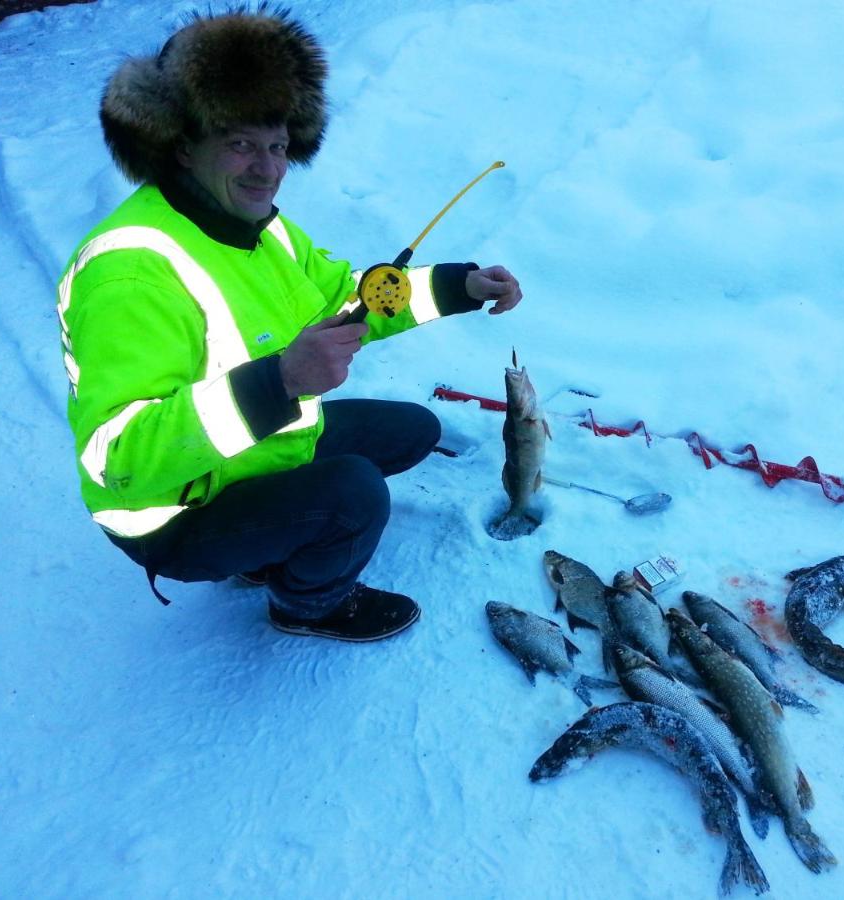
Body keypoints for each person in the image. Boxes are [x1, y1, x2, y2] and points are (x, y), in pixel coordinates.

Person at [57, 8, 522, 642]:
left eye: (277, 145)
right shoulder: (131, 271)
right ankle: (307, 604)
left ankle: (270, 541)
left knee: (413, 430)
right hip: (173, 511)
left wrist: (457, 286)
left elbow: (350, 299)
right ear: (183, 144)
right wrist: (278, 383)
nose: (267, 168)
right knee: (355, 495)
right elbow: (120, 459)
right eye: (240, 142)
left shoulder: (261, 228)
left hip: (245, 457)